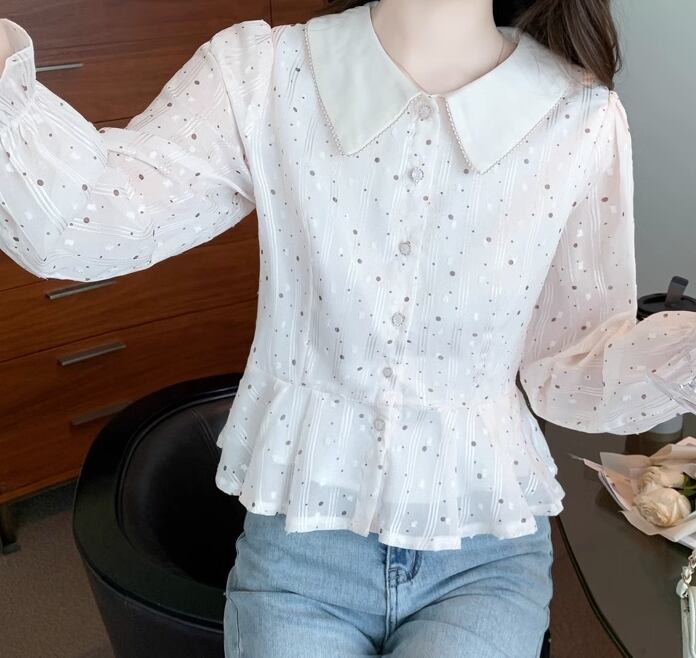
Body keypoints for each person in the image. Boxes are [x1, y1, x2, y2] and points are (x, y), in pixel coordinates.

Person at [1, 0, 695, 656]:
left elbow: (570, 371)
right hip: (302, 548)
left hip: (484, 551)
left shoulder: (580, 118)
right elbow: (81, 223)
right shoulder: (262, 75)